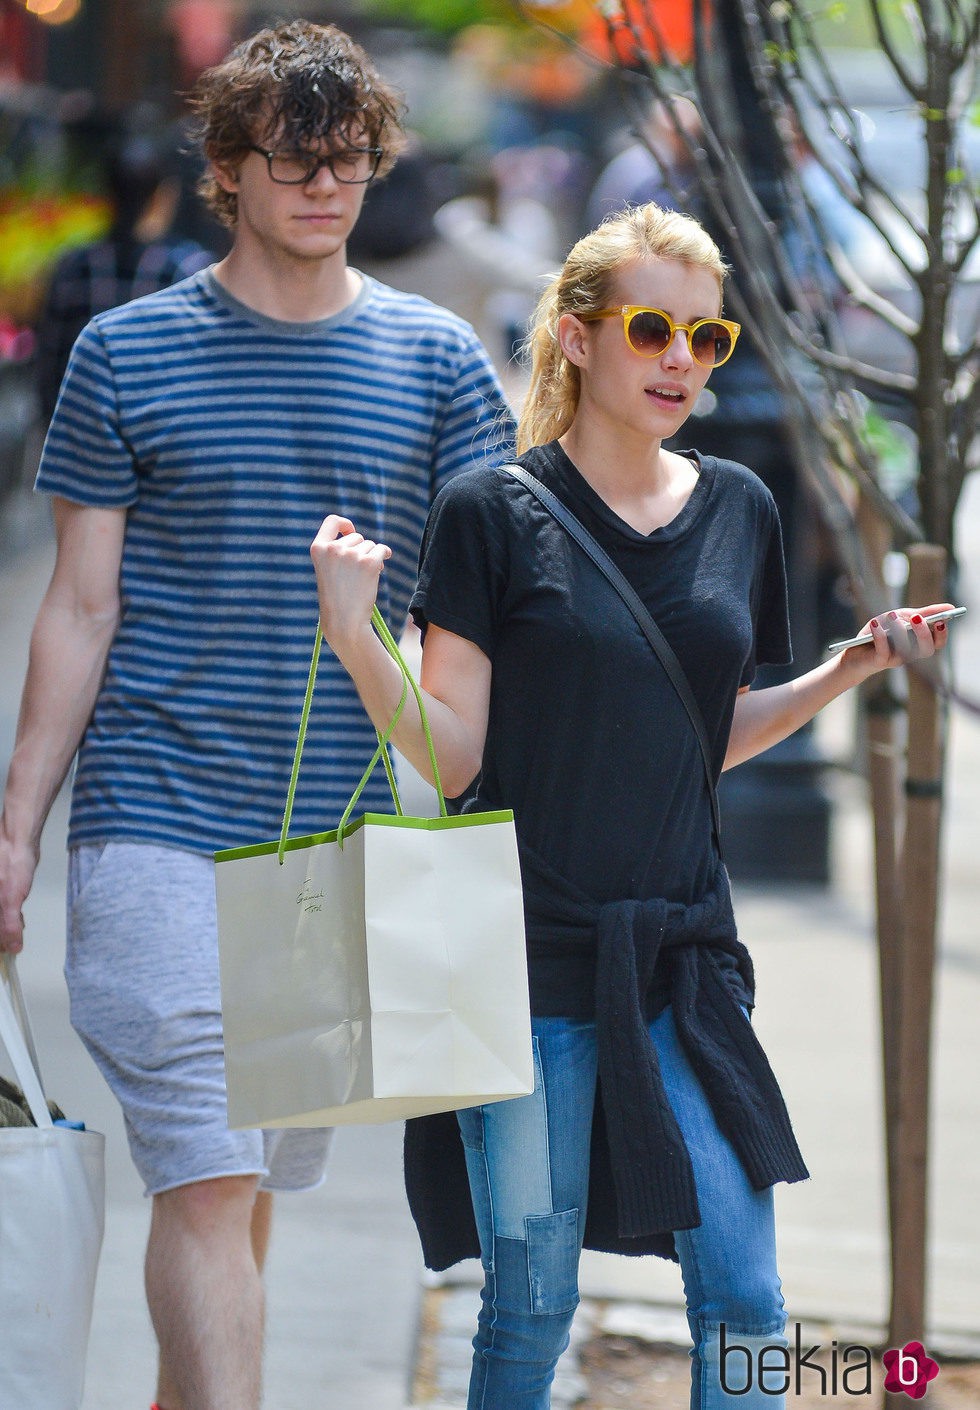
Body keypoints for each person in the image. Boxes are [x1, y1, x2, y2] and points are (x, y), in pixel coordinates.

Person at [309, 202, 951, 1409]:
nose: (679, 362)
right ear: (574, 336)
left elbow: (698, 743)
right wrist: (356, 641)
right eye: (651, 329)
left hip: (682, 962)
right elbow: (451, 758)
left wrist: (842, 668)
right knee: (531, 1304)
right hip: (525, 962)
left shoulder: (739, 509)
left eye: (705, 341)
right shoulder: (489, 512)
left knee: (751, 1302)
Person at [0, 19, 513, 1410]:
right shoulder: (127, 354)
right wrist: (16, 830)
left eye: (347, 163)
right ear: (228, 169)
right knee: (213, 1172)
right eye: (294, 162)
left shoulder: (442, 366)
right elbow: (77, 608)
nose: (325, 189)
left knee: (243, 1179)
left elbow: (470, 629)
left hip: (335, 843)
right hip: (153, 815)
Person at [33, 122, 214, 423]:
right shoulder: (188, 269)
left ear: (108, 194)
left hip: (81, 437)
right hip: (162, 444)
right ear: (162, 196)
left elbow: (48, 366)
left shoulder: (73, 269)